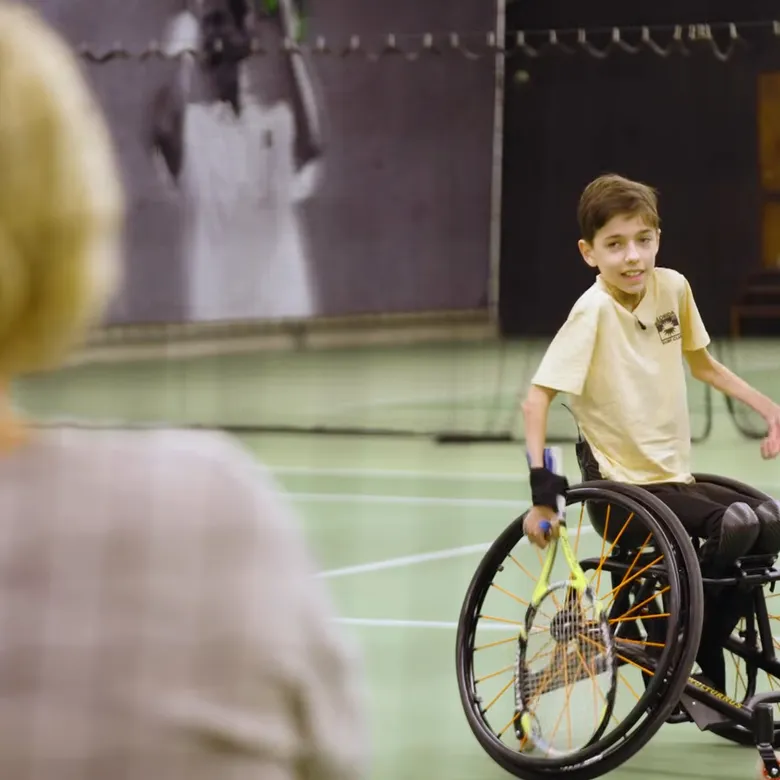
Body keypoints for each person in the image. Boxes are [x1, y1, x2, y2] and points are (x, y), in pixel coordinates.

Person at [0, 3, 367, 778]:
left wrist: (288, 48)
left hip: (275, 307)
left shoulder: (271, 117)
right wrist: (182, 54)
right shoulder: (216, 509)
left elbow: (311, 143)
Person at [521, 172, 780, 693]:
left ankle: (688, 639)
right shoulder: (591, 312)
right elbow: (537, 400)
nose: (633, 256)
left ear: (658, 238)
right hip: (620, 492)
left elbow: (703, 365)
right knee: (733, 522)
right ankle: (684, 646)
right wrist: (544, 497)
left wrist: (770, 408)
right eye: (615, 245)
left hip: (672, 479)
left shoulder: (673, 287)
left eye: (644, 240)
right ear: (588, 252)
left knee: (769, 520)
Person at [150, 0, 324, 322]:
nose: (210, 36)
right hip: (216, 321)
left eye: (219, 22)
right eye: (205, 28)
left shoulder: (277, 123)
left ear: (246, 36)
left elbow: (311, 144)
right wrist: (185, 36)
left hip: (282, 314)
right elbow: (163, 129)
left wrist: (287, 39)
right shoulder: (194, 127)